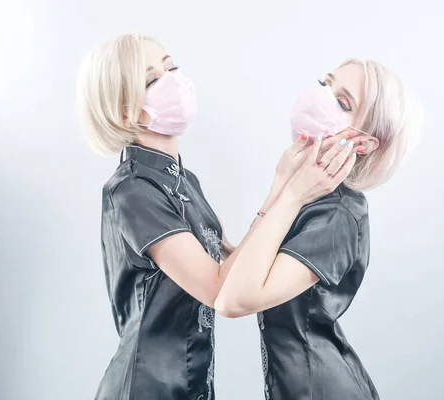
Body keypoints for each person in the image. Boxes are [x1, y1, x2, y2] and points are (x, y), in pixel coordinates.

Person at [76, 32, 365, 400]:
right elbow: (219, 289)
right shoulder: (132, 190)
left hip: (193, 383)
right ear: (123, 111)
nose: (174, 81)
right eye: (152, 80)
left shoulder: (182, 179)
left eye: (172, 68)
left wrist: (280, 185)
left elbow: (232, 263)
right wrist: (289, 196)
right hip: (148, 388)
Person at [215, 59, 424, 400]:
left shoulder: (339, 213)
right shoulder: (311, 195)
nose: (321, 97)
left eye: (343, 103)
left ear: (363, 144)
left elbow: (235, 300)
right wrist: (282, 184)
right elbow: (242, 274)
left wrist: (291, 191)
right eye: (324, 84)